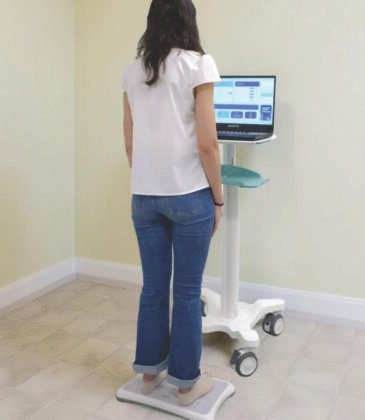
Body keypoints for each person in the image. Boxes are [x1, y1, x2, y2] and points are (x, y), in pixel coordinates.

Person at [120, 0, 224, 407]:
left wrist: (150, 181)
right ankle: (185, 385)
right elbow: (208, 144)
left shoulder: (133, 70)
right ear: (188, 20)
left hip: (143, 197)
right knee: (186, 292)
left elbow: (131, 145)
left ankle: (148, 374)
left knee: (153, 288)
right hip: (188, 196)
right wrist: (218, 198)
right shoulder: (198, 65)